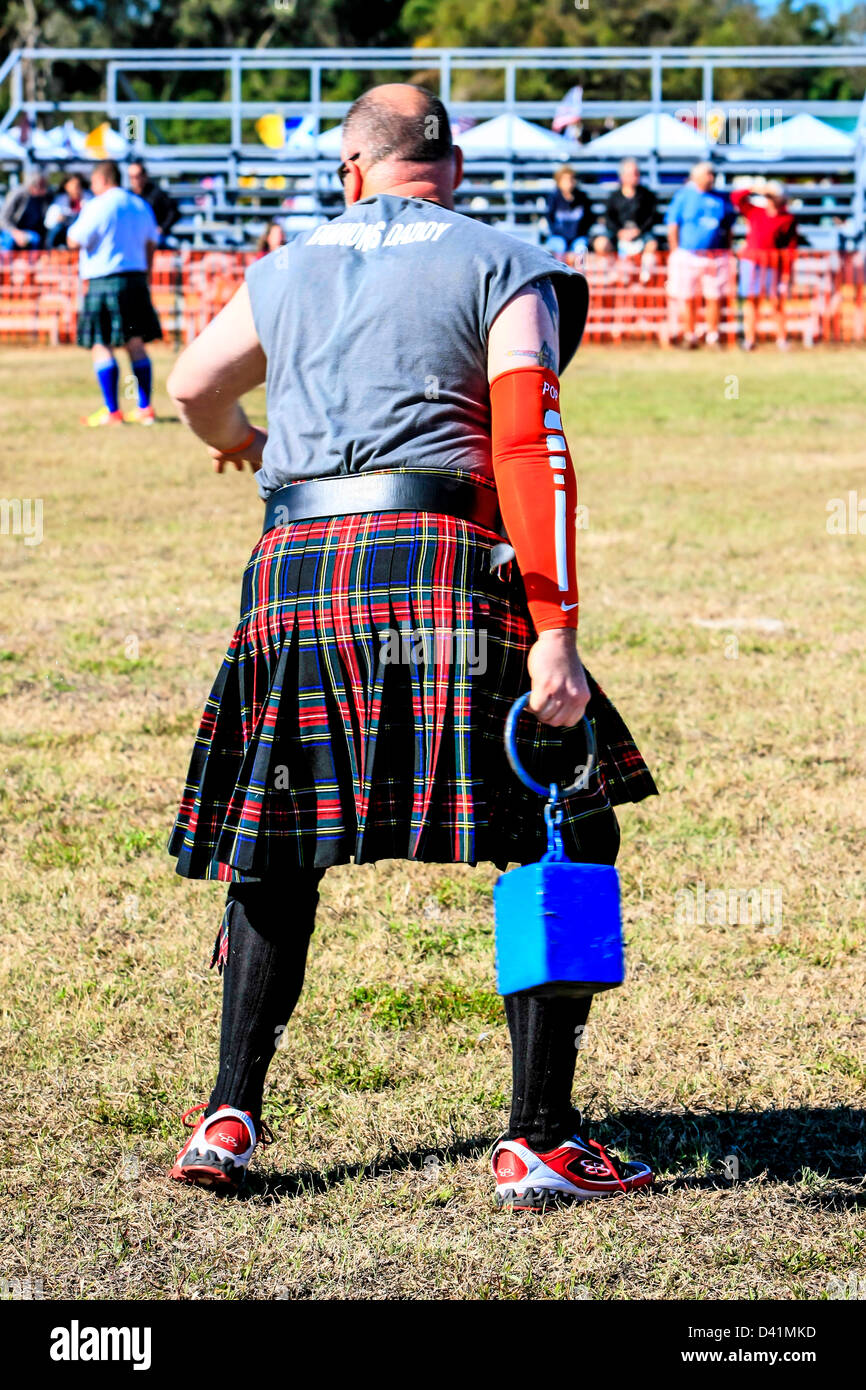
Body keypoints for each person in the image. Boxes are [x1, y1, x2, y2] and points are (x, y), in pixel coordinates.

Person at [165, 83, 657, 1208]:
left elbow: (193, 384)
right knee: (566, 817)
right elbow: (530, 444)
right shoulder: (500, 258)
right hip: (441, 563)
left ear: (350, 170)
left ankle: (229, 1115)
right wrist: (555, 634)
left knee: (273, 835)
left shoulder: (283, 267)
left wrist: (241, 438)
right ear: (454, 173)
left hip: (297, 579)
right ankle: (539, 1137)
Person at [67, 160, 162, 427]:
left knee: (101, 344)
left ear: (102, 180)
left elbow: (74, 239)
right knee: (135, 344)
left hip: (104, 281)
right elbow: (152, 242)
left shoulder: (98, 205)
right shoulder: (139, 204)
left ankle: (112, 412)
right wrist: (147, 274)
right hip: (135, 280)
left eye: (94, 183)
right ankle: (145, 408)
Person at [665, 162, 736, 348]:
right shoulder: (684, 196)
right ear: (696, 176)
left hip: (715, 255)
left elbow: (728, 227)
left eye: (712, 174)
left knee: (714, 296)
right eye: (707, 174)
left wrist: (728, 250)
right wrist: (675, 251)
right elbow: (673, 225)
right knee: (687, 296)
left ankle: (712, 336)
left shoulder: (721, 198)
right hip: (688, 254)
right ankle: (690, 335)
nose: (711, 178)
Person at [732, 179, 798, 351]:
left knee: (776, 302)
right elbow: (736, 198)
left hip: (773, 264)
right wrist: (755, 189)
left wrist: (787, 273)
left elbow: (790, 248)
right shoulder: (755, 212)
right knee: (751, 301)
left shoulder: (788, 219)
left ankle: (782, 339)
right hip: (752, 262)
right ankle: (750, 339)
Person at [593, 158, 659, 283]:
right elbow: (608, 219)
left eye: (636, 173)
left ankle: (644, 278)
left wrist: (638, 230)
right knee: (600, 243)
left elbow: (652, 217)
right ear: (622, 176)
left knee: (652, 244)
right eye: (630, 174)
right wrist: (619, 232)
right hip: (618, 234)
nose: (634, 177)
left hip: (641, 234)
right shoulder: (614, 197)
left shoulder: (647, 196)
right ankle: (611, 275)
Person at [543, 165, 593, 263]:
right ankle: (559, 275)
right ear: (559, 182)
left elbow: (589, 218)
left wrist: (582, 233)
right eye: (565, 180)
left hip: (578, 237)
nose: (569, 183)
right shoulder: (553, 198)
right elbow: (550, 219)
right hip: (558, 236)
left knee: (581, 248)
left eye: (571, 179)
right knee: (559, 247)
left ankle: (579, 276)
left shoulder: (582, 198)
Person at [127, 161, 181, 245]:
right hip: (136, 236)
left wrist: (162, 228)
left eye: (137, 176)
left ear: (144, 176)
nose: (135, 180)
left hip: (155, 237)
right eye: (132, 177)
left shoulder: (156, 193)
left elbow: (174, 212)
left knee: (171, 243)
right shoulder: (128, 195)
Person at [0, 172, 51, 250]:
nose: (44, 189)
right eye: (42, 186)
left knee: (35, 239)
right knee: (8, 241)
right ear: (32, 185)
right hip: (11, 230)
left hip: (30, 232)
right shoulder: (18, 194)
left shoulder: (43, 199)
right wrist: (15, 232)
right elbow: (2, 219)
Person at [44, 173, 91, 249]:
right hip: (64, 233)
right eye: (73, 185)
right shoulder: (60, 200)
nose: (76, 188)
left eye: (78, 185)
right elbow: (48, 222)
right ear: (66, 186)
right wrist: (58, 219)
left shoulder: (89, 199)